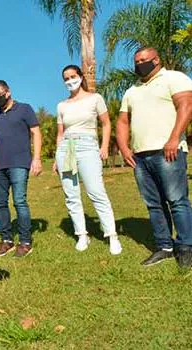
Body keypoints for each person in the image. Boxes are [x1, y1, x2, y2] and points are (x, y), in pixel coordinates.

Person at [117, 47, 192, 267]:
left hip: (168, 150)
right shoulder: (132, 90)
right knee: (154, 204)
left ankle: (186, 247)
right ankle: (164, 246)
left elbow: (186, 106)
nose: (139, 64)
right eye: (136, 61)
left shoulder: (173, 78)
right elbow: (122, 121)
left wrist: (174, 138)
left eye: (144, 60)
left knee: (177, 201)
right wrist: (124, 148)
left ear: (156, 60)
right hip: (140, 157)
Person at [53, 65, 122, 255]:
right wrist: (56, 157)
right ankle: (82, 234)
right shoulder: (62, 105)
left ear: (81, 76)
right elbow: (60, 133)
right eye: (66, 78)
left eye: (73, 77)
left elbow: (106, 123)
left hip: (88, 146)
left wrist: (104, 146)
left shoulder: (95, 99)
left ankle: (112, 235)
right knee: (71, 193)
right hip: (66, 148)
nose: (70, 81)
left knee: (96, 191)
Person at [0, 80, 42, 257]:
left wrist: (37, 158)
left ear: (8, 92)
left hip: (19, 163)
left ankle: (25, 241)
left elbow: (36, 132)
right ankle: (6, 240)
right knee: (0, 204)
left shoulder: (24, 109)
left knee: (19, 201)